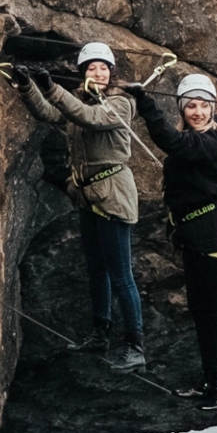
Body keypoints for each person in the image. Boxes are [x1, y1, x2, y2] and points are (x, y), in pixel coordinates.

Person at [17, 40, 146, 367]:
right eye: (91, 68)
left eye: (103, 68)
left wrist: (53, 89)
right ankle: (100, 333)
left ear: (111, 73)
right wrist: (27, 86)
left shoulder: (121, 103)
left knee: (121, 275)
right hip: (88, 195)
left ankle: (135, 345)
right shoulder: (81, 101)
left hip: (113, 195)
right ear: (83, 73)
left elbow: (92, 118)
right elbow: (50, 113)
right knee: (96, 270)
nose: (98, 73)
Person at [132, 70, 217, 414]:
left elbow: (173, 142)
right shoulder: (196, 141)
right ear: (182, 109)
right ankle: (211, 384)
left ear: (213, 108)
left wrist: (144, 103)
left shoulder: (216, 141)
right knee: (200, 311)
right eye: (191, 106)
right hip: (196, 232)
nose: (198, 112)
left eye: (204, 106)